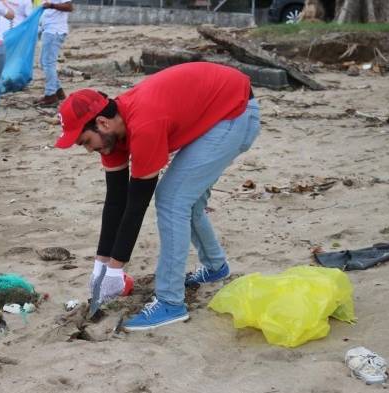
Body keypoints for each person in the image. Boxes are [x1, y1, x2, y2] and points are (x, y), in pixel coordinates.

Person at [54, 62, 261, 331]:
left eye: (84, 142)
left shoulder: (144, 125)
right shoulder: (112, 137)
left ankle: (171, 302)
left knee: (173, 199)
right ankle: (215, 267)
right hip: (215, 110)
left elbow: (138, 202)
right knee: (189, 199)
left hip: (235, 113)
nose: (87, 150)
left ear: (102, 123)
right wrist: (101, 264)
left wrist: (116, 269)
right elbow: (117, 200)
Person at [34, 0, 72, 107]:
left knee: (48, 63)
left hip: (54, 32)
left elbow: (69, 7)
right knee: (44, 63)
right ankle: (58, 92)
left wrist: (51, 5)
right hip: (49, 31)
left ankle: (51, 95)